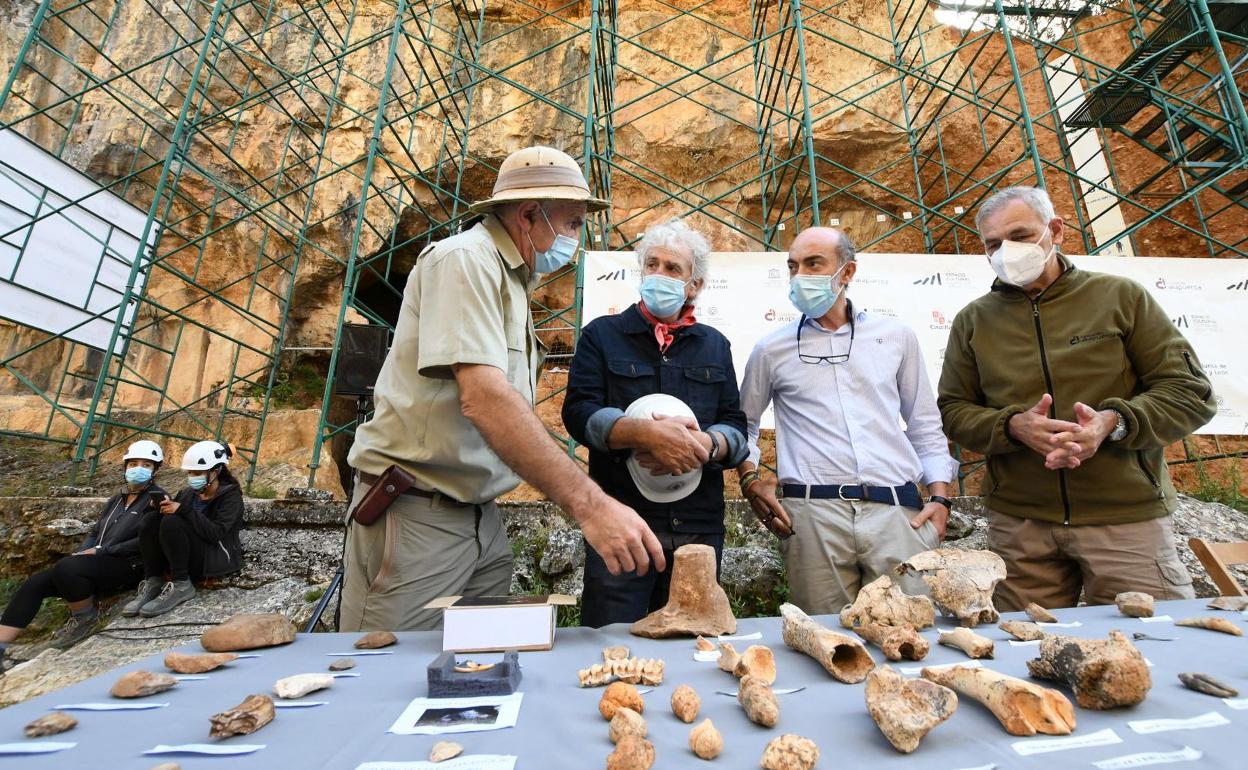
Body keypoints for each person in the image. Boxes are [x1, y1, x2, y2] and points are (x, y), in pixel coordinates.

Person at [343, 145, 665, 632]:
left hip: (475, 515)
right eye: (574, 222)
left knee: (472, 675)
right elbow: (485, 398)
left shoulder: (510, 278)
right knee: (388, 674)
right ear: (531, 214)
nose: (577, 237)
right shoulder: (464, 261)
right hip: (417, 516)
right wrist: (591, 505)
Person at [938, 186, 1216, 610]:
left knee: (1156, 645)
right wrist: (1013, 426)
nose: (1006, 251)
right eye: (994, 244)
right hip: (1020, 527)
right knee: (1025, 654)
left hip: (1125, 521)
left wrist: (1113, 422)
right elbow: (954, 410)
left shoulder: (1122, 298)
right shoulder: (974, 320)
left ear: (1056, 230)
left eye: (1020, 236)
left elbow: (1190, 392)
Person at [736, 227, 957, 615]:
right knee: (825, 642)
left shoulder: (896, 337)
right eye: (793, 266)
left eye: (814, 263)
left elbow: (923, 422)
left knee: (910, 633)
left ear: (848, 271)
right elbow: (746, 426)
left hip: (897, 513)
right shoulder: (771, 349)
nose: (800, 275)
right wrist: (750, 480)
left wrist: (939, 497)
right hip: (812, 518)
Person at [562, 217, 749, 626]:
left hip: (697, 531)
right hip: (621, 526)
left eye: (673, 268)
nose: (659, 274)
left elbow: (735, 424)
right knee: (612, 644)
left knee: (693, 639)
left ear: (694, 284)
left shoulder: (715, 346)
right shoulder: (602, 335)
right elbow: (578, 412)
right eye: (652, 264)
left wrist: (707, 445)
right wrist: (642, 434)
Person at [0, 441, 167, 661]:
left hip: (129, 564)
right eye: (133, 463)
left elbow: (146, 540)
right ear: (125, 466)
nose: (138, 468)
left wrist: (101, 552)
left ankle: (85, 618)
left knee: (68, 568)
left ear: (155, 469)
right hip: (98, 561)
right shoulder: (117, 499)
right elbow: (95, 532)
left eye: (146, 464)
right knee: (36, 583)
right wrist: (83, 552)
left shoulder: (157, 499)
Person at [121, 440, 244, 617]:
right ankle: (153, 581)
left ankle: (182, 585)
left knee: (173, 522)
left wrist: (183, 510)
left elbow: (215, 534)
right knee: (150, 520)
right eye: (190, 473)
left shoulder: (230, 497)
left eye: (198, 473)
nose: (193, 477)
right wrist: (157, 507)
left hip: (212, 559)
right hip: (184, 556)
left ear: (215, 472)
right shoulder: (188, 493)